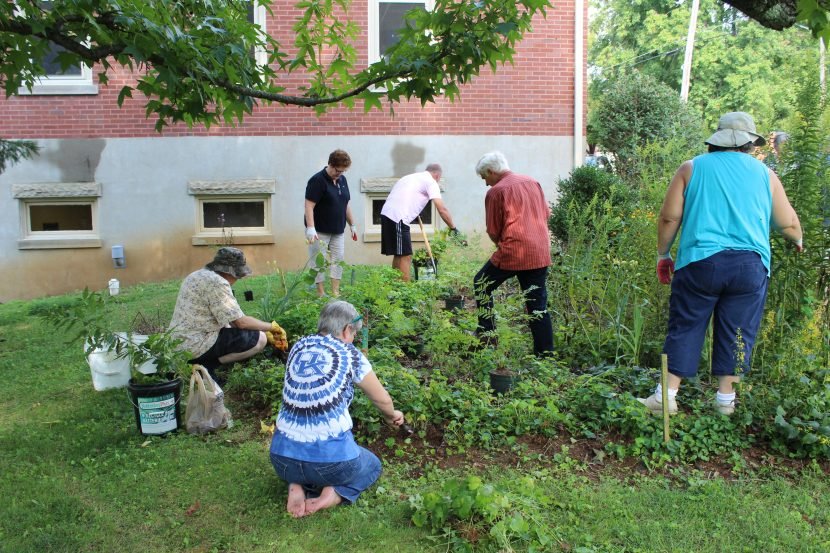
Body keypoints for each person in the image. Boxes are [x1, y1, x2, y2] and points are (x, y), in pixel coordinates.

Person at [638, 112, 803, 416]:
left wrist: (664, 254)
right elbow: (787, 222)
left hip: (701, 262)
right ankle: (726, 402)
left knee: (686, 325)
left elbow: (670, 217)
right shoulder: (765, 174)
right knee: (739, 331)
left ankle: (666, 396)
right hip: (749, 266)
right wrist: (798, 239)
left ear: (716, 139)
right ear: (750, 143)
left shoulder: (691, 168)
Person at [269, 300, 405, 518]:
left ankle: (295, 484)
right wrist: (393, 416)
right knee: (371, 464)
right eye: (353, 334)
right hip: (332, 464)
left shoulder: (299, 346)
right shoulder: (350, 354)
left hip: (281, 459)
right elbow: (382, 401)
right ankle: (332, 494)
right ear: (345, 330)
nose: (353, 340)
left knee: (301, 455)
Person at [473, 151, 554, 356]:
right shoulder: (532, 182)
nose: (486, 183)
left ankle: (487, 335)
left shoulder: (496, 192)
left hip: (514, 251)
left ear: (491, 171)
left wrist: (502, 245)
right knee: (537, 305)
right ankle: (545, 354)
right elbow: (546, 214)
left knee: (482, 283)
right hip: (540, 251)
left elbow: (493, 230)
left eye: (485, 178)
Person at [169, 247, 287, 384]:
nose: (239, 278)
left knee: (230, 326)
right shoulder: (217, 282)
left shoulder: (198, 275)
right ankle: (204, 366)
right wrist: (272, 327)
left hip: (180, 341)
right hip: (195, 344)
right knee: (259, 339)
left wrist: (264, 329)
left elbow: (232, 318)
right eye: (238, 274)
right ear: (228, 271)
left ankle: (201, 366)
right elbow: (241, 323)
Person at [380, 163, 459, 281]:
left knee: (399, 254)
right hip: (398, 218)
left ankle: (395, 287)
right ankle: (404, 292)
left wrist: (415, 212)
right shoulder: (431, 182)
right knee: (406, 256)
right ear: (437, 176)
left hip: (387, 214)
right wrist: (453, 228)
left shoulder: (409, 177)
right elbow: (442, 209)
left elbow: (405, 196)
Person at [304, 149, 358, 297]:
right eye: (338, 171)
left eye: (343, 171)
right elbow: (309, 205)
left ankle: (335, 292)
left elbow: (345, 203)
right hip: (319, 230)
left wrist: (352, 225)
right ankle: (321, 293)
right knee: (318, 262)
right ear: (330, 164)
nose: (340, 174)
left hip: (338, 229)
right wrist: (310, 228)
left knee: (338, 260)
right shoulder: (317, 180)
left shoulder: (342, 180)